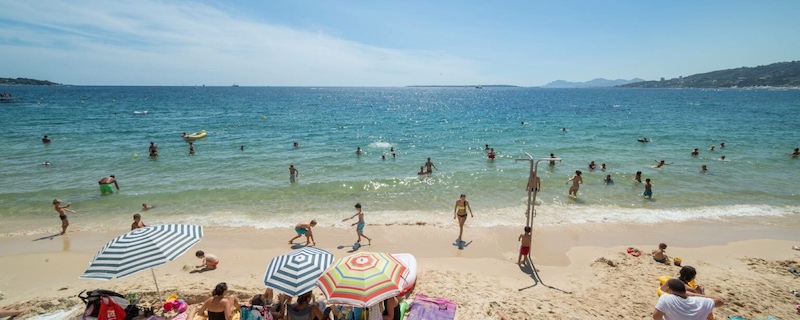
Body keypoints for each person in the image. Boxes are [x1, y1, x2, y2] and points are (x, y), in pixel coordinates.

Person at [652, 278, 723, 320]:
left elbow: (656, 316)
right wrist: (694, 294)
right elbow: (720, 302)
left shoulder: (666, 298)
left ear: (669, 289)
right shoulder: (700, 301)